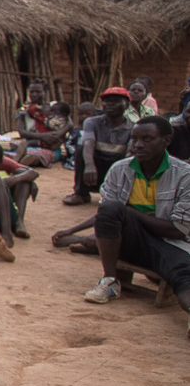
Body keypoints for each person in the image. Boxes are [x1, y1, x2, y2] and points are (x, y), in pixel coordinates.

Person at [75, 117, 190, 324]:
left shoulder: (184, 176)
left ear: (166, 141)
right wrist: (123, 212)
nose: (138, 145)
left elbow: (177, 230)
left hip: (172, 244)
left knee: (184, 280)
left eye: (147, 139)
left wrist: (129, 212)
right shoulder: (120, 170)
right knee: (110, 208)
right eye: (134, 139)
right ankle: (110, 281)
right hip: (130, 241)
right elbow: (106, 215)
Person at [63, 87, 133, 206]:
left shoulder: (133, 127)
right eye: (107, 101)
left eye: (116, 101)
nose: (110, 104)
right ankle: (81, 194)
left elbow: (130, 153)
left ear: (126, 105)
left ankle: (118, 195)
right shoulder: (92, 122)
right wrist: (89, 166)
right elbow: (88, 143)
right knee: (81, 150)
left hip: (117, 168)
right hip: (96, 167)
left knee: (131, 160)